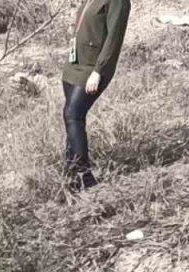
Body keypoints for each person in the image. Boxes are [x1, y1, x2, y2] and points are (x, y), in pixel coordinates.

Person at [62, 0, 131, 191]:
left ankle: (84, 176)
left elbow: (114, 39)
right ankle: (71, 175)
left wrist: (99, 70)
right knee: (70, 118)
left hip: (93, 69)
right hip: (74, 65)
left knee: (73, 114)